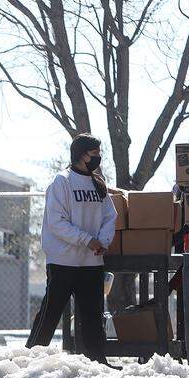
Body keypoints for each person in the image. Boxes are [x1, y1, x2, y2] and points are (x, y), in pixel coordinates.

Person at [26, 134, 118, 365]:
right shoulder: (62, 181)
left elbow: (110, 216)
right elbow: (57, 222)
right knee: (51, 312)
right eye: (94, 153)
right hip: (63, 261)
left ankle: (98, 361)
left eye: (99, 153)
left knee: (92, 315)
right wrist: (87, 240)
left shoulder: (99, 183)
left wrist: (103, 241)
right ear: (80, 154)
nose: (98, 158)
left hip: (92, 262)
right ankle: (32, 358)